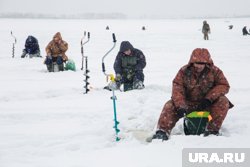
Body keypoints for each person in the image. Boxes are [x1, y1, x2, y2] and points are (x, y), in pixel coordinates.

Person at [152, 48, 233, 141]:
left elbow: (223, 85)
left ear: (207, 63)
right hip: (187, 104)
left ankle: (212, 131)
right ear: (192, 62)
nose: (199, 66)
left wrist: (209, 99)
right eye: (197, 63)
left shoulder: (215, 71)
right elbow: (177, 88)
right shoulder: (183, 71)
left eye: (202, 63)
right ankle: (162, 131)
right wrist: (180, 106)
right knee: (169, 105)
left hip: (207, 104)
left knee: (223, 101)